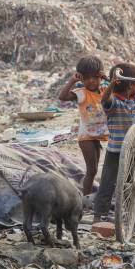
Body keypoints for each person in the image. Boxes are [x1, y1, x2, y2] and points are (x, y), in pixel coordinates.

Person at [92, 63, 135, 223]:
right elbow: (104, 98)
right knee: (107, 182)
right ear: (130, 85)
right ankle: (99, 215)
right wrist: (112, 82)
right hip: (115, 151)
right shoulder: (114, 103)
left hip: (133, 151)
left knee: (132, 183)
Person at [58, 56, 108, 196]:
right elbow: (62, 97)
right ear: (81, 78)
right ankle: (85, 199)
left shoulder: (105, 90)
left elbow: (119, 87)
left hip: (98, 136)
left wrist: (107, 78)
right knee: (91, 170)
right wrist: (73, 80)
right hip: (86, 137)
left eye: (95, 77)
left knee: (95, 170)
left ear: (100, 76)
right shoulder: (81, 93)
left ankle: (88, 195)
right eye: (86, 78)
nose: (91, 81)